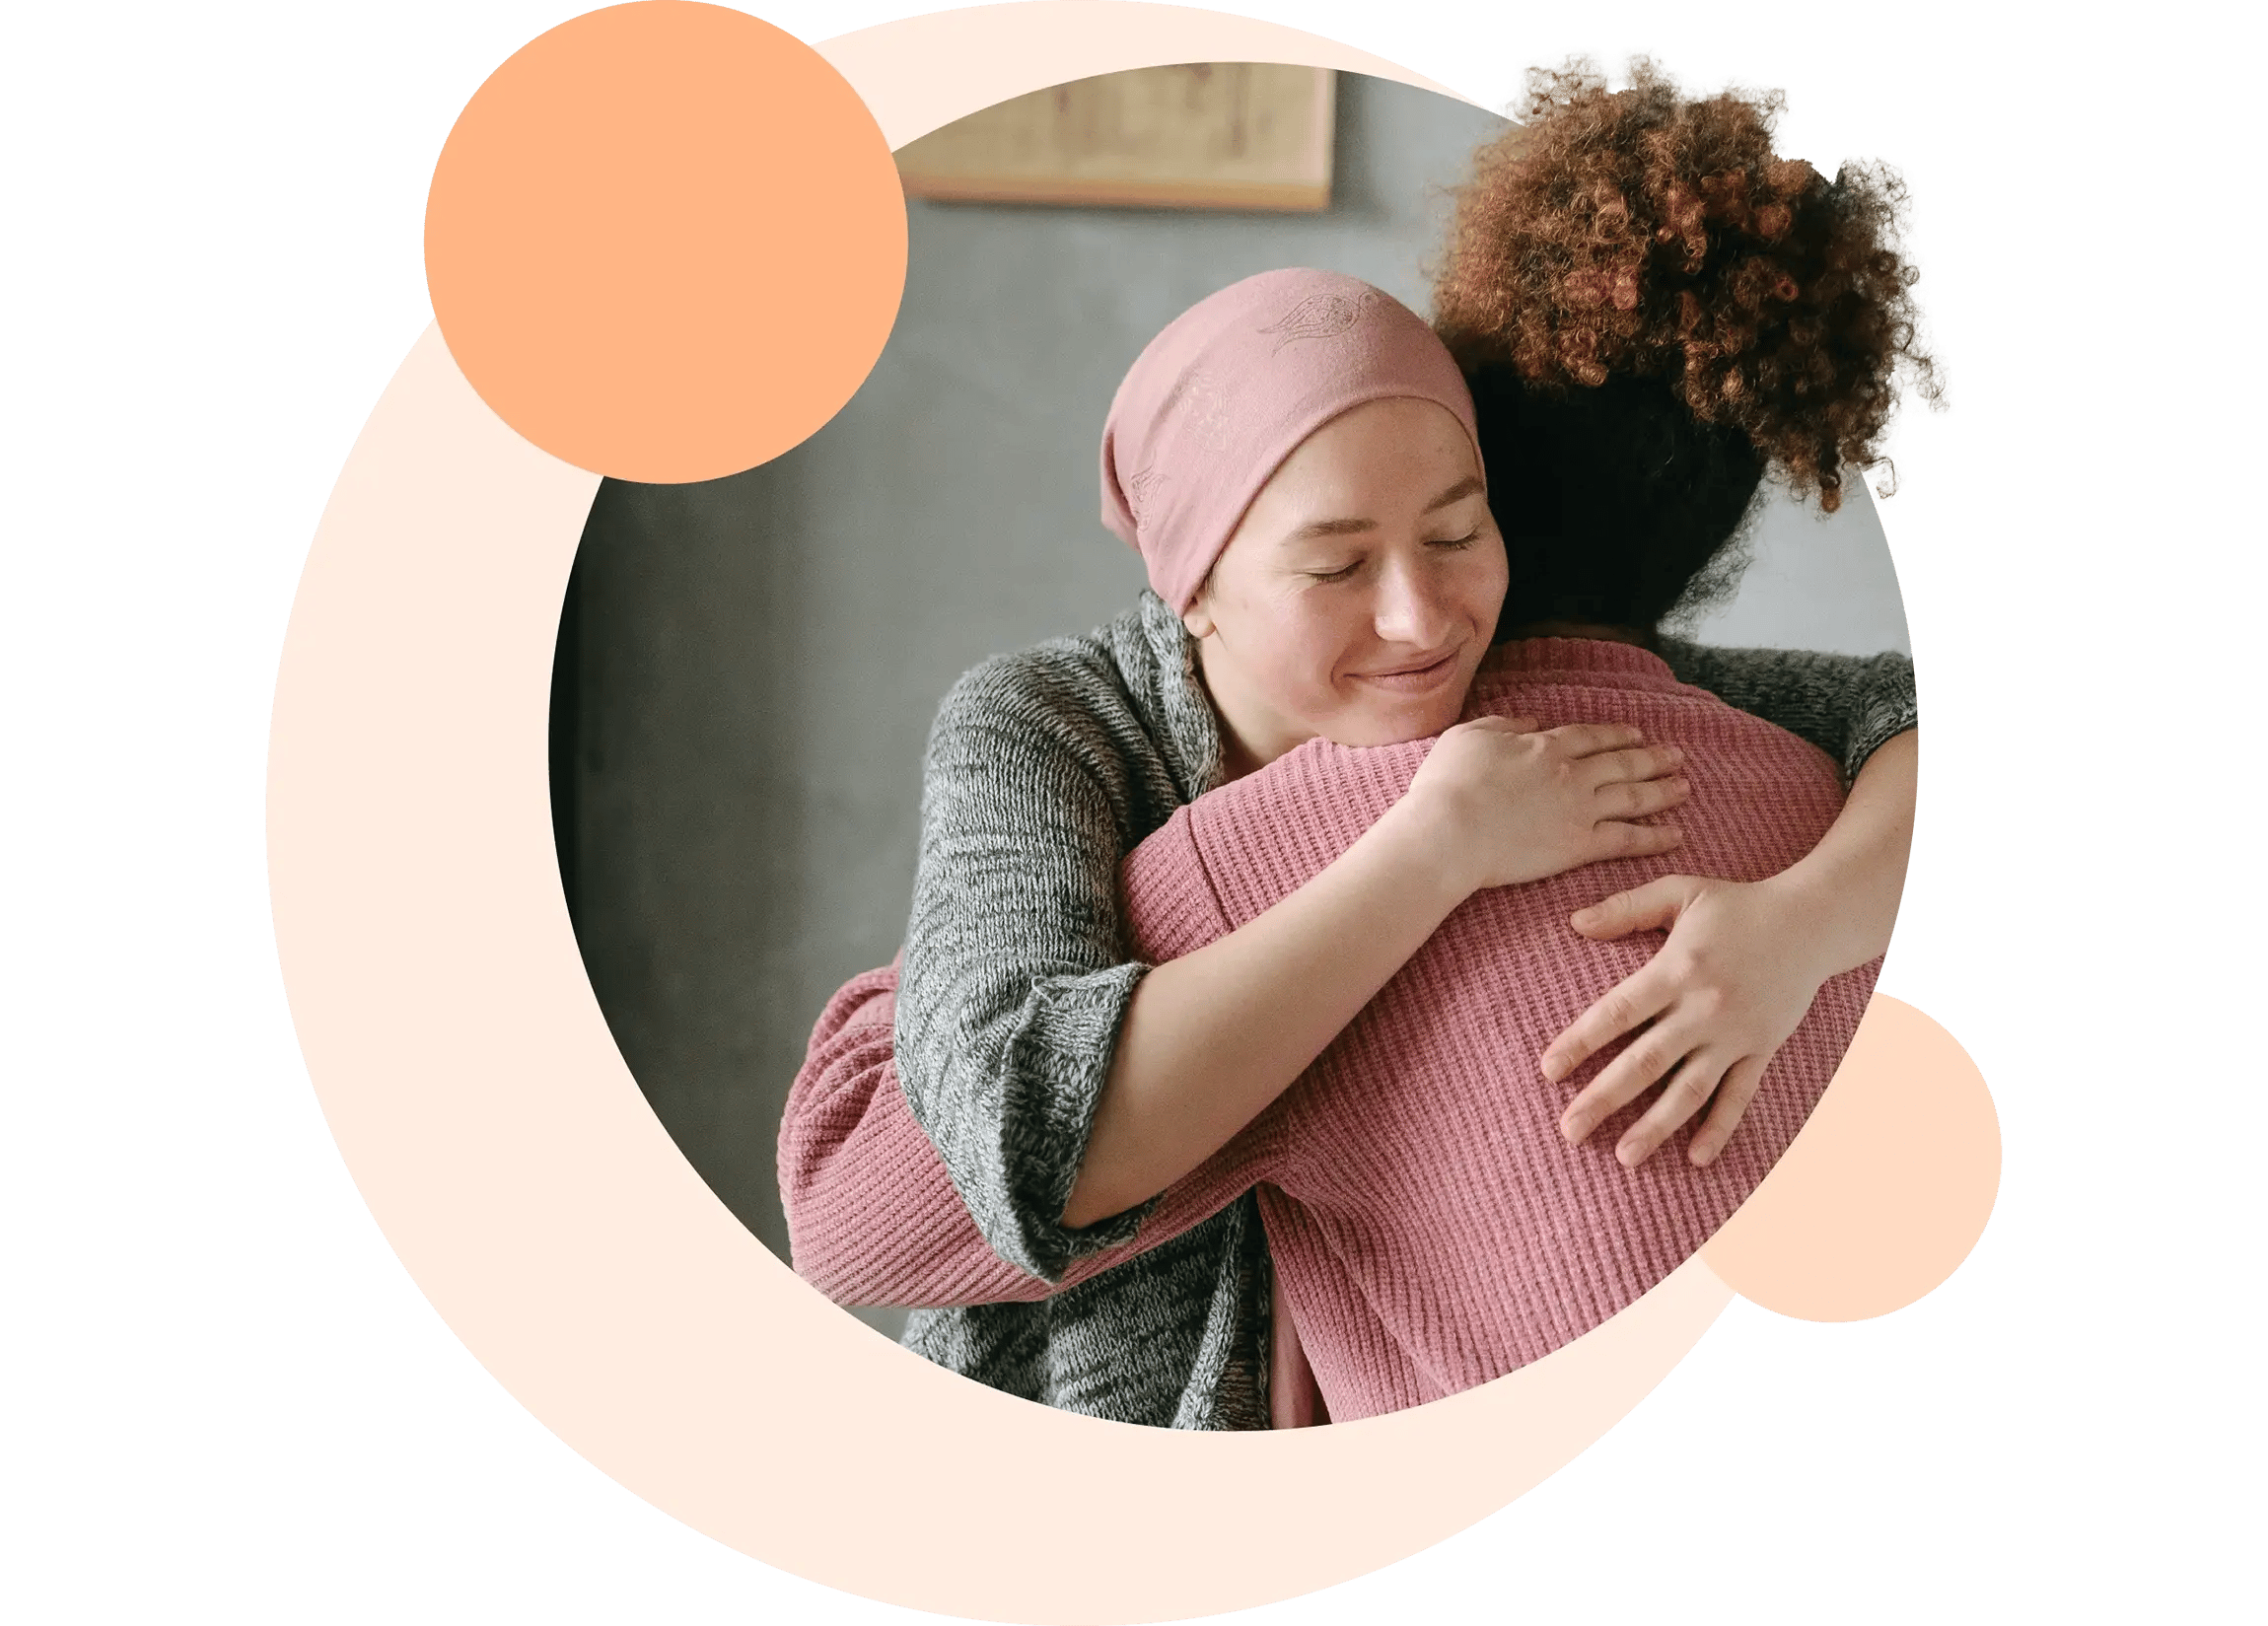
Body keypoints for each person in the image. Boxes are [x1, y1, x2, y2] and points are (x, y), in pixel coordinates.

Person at [782, 49, 1949, 1429]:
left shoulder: (1555, 711)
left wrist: (1796, 926)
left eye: (1459, 535)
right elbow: (937, 1168)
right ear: (1193, 583)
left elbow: (1904, 710)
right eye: (1336, 567)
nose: (1420, 618)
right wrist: (1428, 853)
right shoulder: (1051, 726)